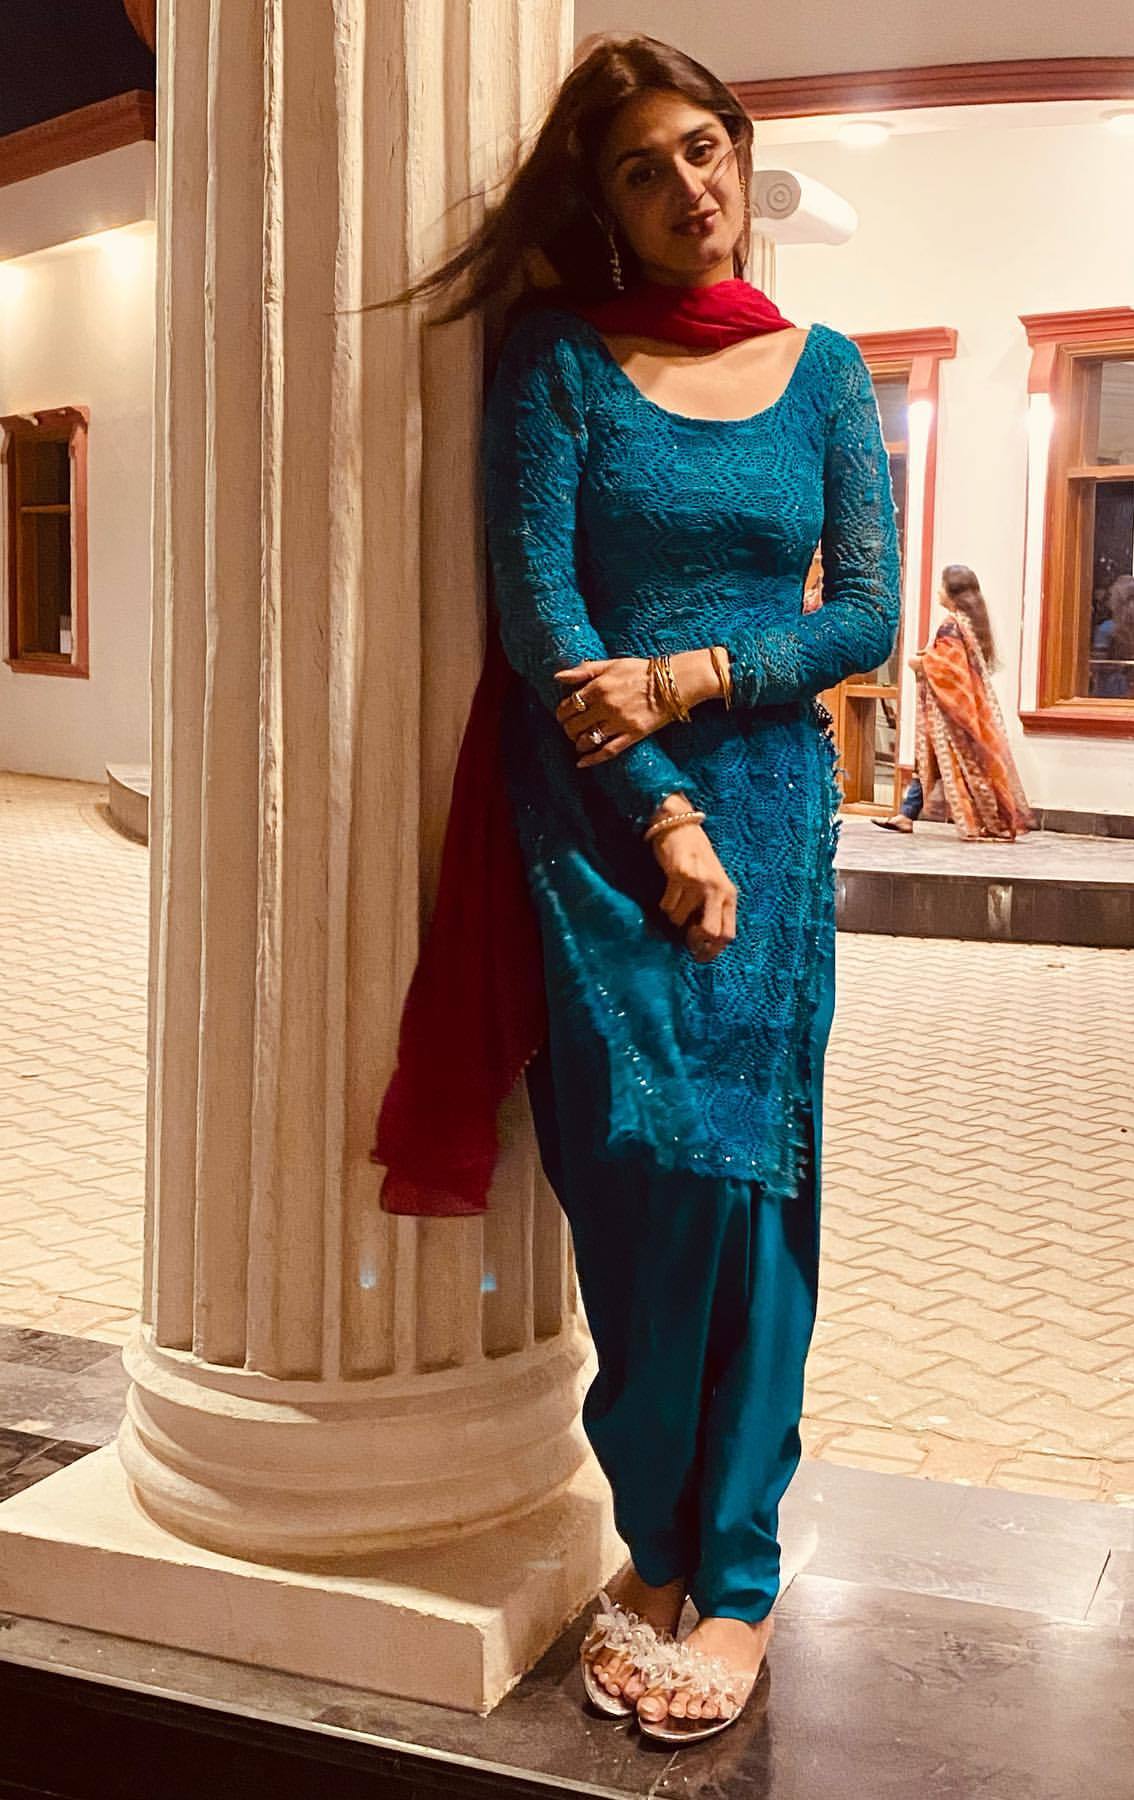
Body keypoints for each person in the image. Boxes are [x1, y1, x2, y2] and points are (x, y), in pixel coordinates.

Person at [369, 35, 900, 1745]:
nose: (689, 188)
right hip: (599, 816)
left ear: (740, 151)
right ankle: (652, 1543)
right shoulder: (559, 360)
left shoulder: (825, 373)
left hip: (773, 812)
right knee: (631, 1182)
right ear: (602, 204)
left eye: (704, 150)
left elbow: (862, 615)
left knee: (750, 1188)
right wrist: (661, 812)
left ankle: (729, 1573)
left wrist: (693, 681)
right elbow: (543, 614)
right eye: (643, 169)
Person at [873, 564, 1030, 839]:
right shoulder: (971, 624)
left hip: (951, 712)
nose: (937, 591)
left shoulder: (951, 625)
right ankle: (906, 815)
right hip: (961, 707)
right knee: (928, 763)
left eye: (941, 586)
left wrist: (918, 662)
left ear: (952, 593)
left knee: (968, 766)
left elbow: (949, 669)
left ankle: (998, 820)